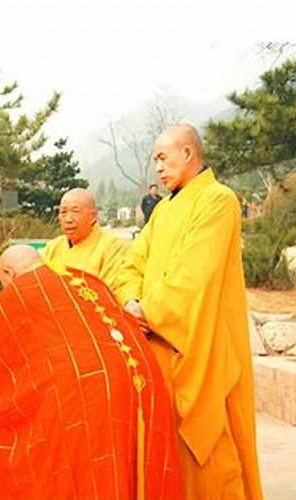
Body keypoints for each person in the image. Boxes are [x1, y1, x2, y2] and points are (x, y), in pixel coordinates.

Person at [0, 245, 183, 499]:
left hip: (83, 391)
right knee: (128, 469)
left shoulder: (20, 293)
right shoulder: (85, 278)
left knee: (89, 477)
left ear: (9, 273)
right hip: (143, 381)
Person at [117, 124, 263, 500]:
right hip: (158, 346)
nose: (159, 169)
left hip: (203, 345)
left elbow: (194, 278)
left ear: (188, 153)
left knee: (213, 454)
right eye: (155, 162)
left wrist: (148, 310)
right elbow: (132, 264)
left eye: (163, 159)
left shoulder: (218, 200)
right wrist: (131, 300)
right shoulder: (163, 210)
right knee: (169, 457)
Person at [41, 188, 127, 295]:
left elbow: (110, 295)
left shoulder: (113, 248)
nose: (68, 219)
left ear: (93, 216)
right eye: (63, 212)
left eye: (75, 211)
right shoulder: (52, 247)